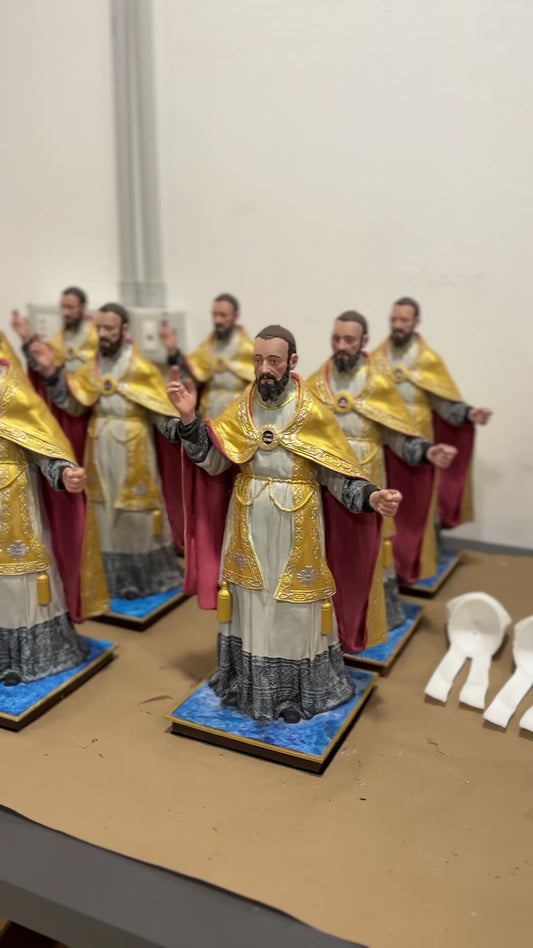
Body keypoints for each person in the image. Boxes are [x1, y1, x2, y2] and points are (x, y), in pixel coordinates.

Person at [168, 325, 402, 723]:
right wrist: (190, 420)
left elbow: (337, 475)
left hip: (298, 525)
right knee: (250, 604)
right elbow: (214, 462)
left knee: (296, 608)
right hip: (247, 520)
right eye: (258, 360)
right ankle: (246, 684)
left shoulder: (312, 412)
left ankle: (297, 692)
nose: (264, 369)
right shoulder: (242, 408)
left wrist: (370, 497)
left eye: (273, 361)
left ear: (292, 362)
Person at [307, 311, 457, 648]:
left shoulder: (379, 384)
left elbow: (398, 436)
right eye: (336, 338)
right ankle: (331, 624)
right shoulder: (316, 384)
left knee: (371, 552)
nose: (340, 345)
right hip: (328, 483)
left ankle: (373, 617)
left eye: (349, 340)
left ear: (364, 342)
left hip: (369, 479)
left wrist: (427, 451)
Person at [29, 303, 184, 601]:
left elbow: (160, 413)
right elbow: (74, 406)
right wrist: (50, 372)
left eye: (109, 328)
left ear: (125, 330)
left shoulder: (142, 369)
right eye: (98, 328)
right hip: (98, 446)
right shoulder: (92, 368)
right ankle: (108, 581)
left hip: (135, 446)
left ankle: (145, 579)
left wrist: (181, 423)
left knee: (135, 513)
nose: (102, 334)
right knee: (102, 512)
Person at [0, 336, 108, 686]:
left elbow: (44, 448)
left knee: (22, 580)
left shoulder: (12, 391)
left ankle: (34, 657)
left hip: (16, 502)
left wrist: (63, 474)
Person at [373, 297, 492, 585]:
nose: (398, 325)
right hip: (385, 446)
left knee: (421, 506)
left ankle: (419, 560)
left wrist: (468, 414)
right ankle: (389, 567)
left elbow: (444, 403)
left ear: (416, 322)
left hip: (420, 447)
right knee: (387, 506)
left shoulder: (427, 361)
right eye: (394, 320)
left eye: (404, 320)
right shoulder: (376, 360)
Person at [11, 286, 98, 463]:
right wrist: (27, 341)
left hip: (92, 413)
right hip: (65, 412)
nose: (66, 312)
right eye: (63, 307)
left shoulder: (96, 336)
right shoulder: (59, 339)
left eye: (70, 307)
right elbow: (45, 372)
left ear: (83, 307)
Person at [160, 292, 254, 419]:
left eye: (223, 315)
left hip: (237, 414)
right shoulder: (206, 349)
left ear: (235, 316)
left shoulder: (248, 350)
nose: (217, 320)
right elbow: (189, 377)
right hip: (209, 412)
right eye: (214, 315)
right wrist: (173, 352)